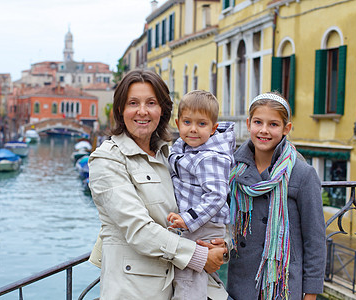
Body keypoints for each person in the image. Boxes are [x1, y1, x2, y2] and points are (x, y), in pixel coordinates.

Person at [88, 69, 228, 299]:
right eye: (133, 103)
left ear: (161, 110)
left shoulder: (170, 155)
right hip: (135, 291)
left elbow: (203, 204)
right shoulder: (106, 160)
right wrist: (200, 257)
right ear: (121, 109)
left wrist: (218, 244)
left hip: (180, 285)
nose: (142, 111)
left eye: (151, 103)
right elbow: (139, 230)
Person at [220, 92, 326, 300]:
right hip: (240, 283)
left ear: (286, 129)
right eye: (258, 122)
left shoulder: (302, 173)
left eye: (273, 124)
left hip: (283, 285)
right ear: (249, 124)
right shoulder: (231, 169)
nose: (264, 130)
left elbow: (315, 239)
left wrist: (311, 293)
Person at [167, 90, 235, 300]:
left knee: (189, 279)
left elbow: (216, 197)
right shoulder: (183, 148)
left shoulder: (210, 157)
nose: (193, 129)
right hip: (197, 225)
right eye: (187, 122)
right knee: (193, 277)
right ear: (178, 124)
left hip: (202, 226)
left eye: (202, 124)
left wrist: (187, 219)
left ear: (214, 128)